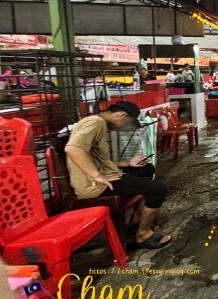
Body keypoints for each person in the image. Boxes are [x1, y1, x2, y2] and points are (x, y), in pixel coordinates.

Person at [65, 101, 171, 249]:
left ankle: (137, 217)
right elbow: (73, 149)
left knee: (147, 169)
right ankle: (143, 235)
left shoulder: (97, 122)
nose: (123, 127)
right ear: (121, 115)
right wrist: (97, 176)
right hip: (95, 185)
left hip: (106, 174)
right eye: (127, 123)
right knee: (159, 189)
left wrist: (128, 164)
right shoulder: (95, 122)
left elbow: (99, 160)